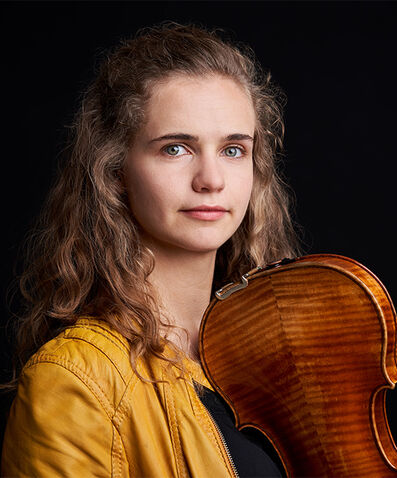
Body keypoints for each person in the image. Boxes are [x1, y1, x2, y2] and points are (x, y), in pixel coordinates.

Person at [2, 23, 299, 477]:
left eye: (233, 150)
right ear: (115, 170)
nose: (211, 180)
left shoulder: (277, 357)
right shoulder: (74, 379)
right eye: (175, 149)